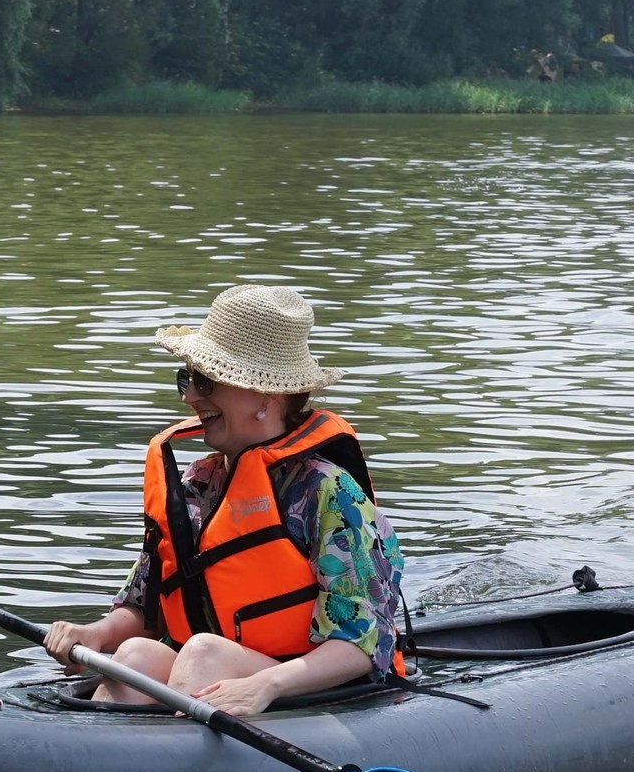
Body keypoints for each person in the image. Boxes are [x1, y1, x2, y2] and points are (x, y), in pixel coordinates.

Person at [39, 285, 406, 717]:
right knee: (137, 654)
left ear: (266, 398)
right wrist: (95, 633)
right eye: (186, 378)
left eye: (206, 380)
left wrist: (264, 685)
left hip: (311, 686)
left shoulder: (330, 491)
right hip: (218, 679)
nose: (190, 396)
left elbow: (363, 641)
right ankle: (101, 761)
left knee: (203, 653)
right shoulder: (198, 483)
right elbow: (143, 605)